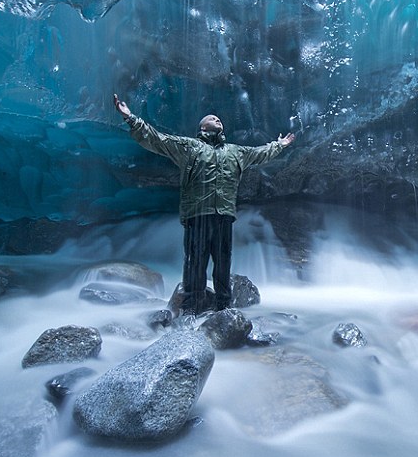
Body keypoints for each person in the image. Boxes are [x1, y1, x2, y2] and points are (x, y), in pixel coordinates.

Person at [113, 94, 295, 314]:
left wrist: (280, 144)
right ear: (201, 127)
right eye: (212, 118)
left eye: (219, 118)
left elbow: (259, 154)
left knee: (223, 263)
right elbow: (156, 140)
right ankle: (191, 311)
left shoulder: (235, 151)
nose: (217, 119)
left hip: (224, 214)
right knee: (195, 263)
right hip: (197, 213)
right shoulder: (189, 147)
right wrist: (130, 117)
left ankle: (223, 309)